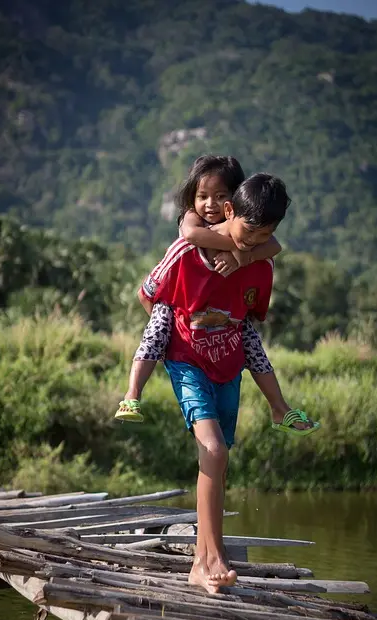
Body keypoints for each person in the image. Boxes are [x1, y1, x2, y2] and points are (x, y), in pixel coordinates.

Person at [132, 172, 300, 593]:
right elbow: (149, 293)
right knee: (213, 448)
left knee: (217, 464)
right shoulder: (187, 251)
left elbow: (249, 321)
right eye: (249, 231)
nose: (253, 240)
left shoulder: (260, 261)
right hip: (187, 361)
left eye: (264, 235)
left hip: (228, 368)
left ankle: (199, 564)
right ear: (229, 212)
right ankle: (213, 559)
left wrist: (247, 256)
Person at [115, 155, 319, 436]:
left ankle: (279, 407)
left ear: (233, 200)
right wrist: (238, 249)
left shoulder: (248, 228)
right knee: (157, 329)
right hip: (178, 301)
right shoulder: (192, 218)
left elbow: (274, 245)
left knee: (252, 343)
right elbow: (191, 236)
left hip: (222, 315)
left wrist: (242, 257)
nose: (209, 204)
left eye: (219, 195)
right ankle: (132, 394)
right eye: (202, 196)